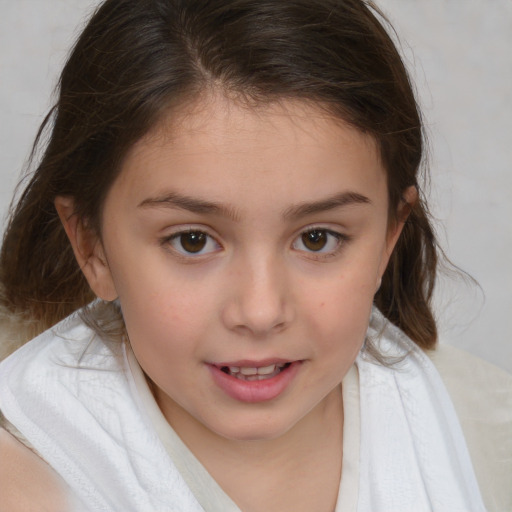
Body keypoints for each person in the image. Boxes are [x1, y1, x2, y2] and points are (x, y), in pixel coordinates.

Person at [0, 0, 510, 510]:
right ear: (91, 246)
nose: (261, 311)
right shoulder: (22, 475)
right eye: (192, 241)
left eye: (318, 239)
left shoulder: (487, 437)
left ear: (387, 238)